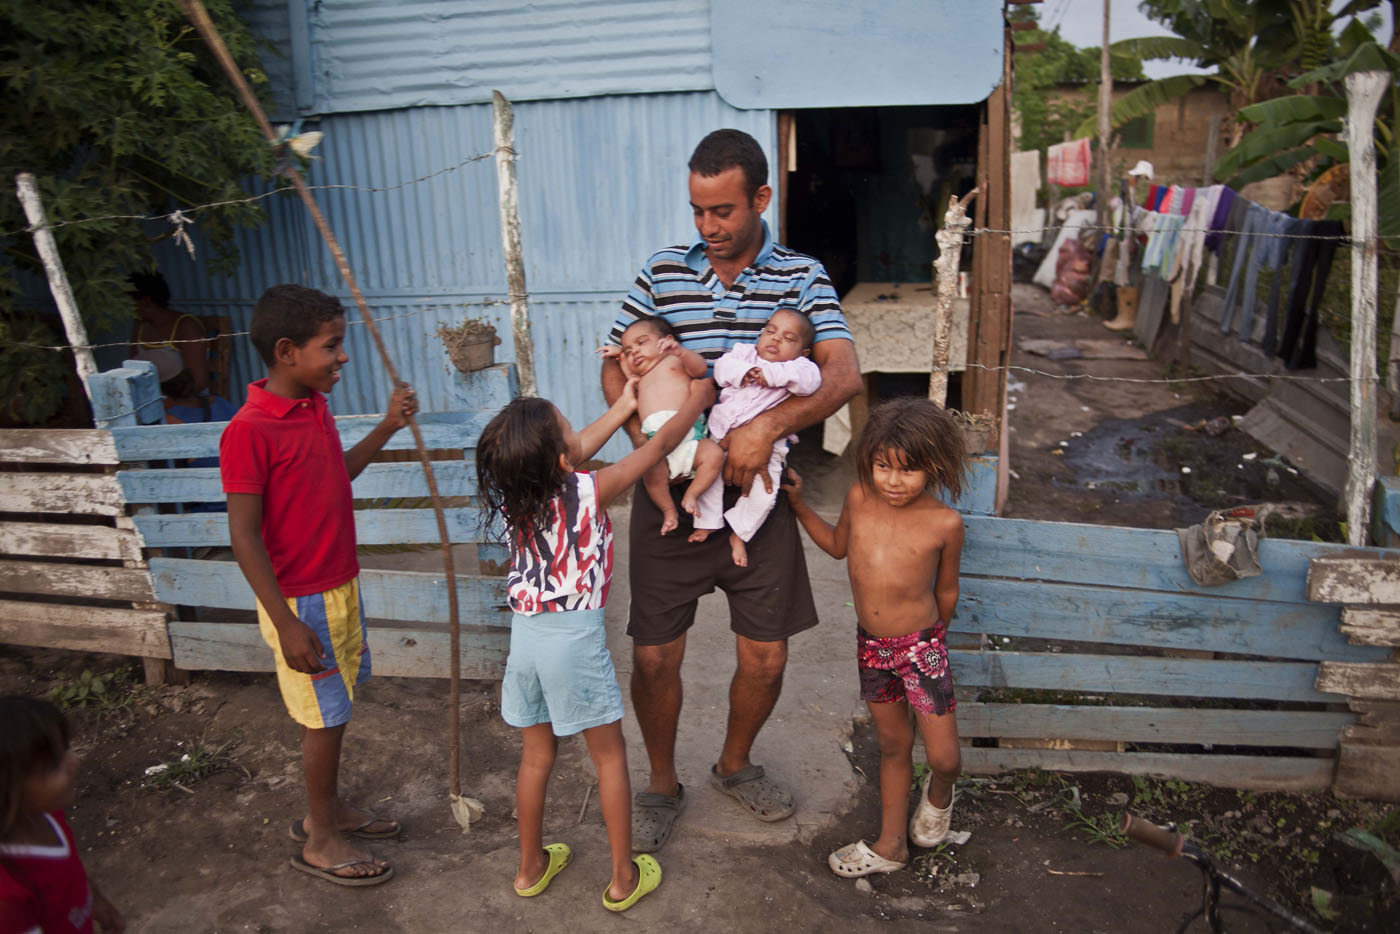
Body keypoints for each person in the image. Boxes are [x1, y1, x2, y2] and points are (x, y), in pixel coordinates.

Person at [601, 128, 861, 852]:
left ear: (761, 199)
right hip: (672, 499)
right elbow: (616, 364)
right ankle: (660, 783)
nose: (709, 228)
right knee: (654, 656)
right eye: (698, 212)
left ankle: (735, 764)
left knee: (767, 656)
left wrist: (760, 430)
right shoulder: (659, 273)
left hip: (760, 499)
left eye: (724, 212)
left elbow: (841, 375)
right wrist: (653, 452)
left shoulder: (801, 277)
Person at [476, 375, 713, 910]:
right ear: (562, 459)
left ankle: (530, 867)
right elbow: (657, 447)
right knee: (608, 757)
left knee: (536, 756)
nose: (576, 436)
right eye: (567, 429)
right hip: (573, 643)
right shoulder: (589, 489)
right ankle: (623, 878)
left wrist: (626, 403)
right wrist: (695, 401)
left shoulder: (518, 493)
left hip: (526, 640)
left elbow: (575, 448)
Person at [219, 284, 417, 887]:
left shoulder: (312, 408)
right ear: (286, 351)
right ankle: (322, 840)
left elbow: (338, 474)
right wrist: (285, 621)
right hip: (302, 601)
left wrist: (387, 426)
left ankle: (323, 813)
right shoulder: (249, 431)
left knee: (336, 710)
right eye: (331, 346)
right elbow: (244, 536)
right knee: (323, 719)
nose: (342, 357)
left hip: (337, 589)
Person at [783, 398, 967, 878]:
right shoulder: (859, 498)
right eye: (883, 466)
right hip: (872, 647)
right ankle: (891, 847)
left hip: (923, 649)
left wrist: (932, 644)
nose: (892, 480)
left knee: (945, 757)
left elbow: (947, 590)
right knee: (892, 744)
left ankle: (941, 792)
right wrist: (800, 506)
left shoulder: (944, 523)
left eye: (908, 470)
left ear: (934, 467)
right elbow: (839, 547)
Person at [683, 308, 821, 567]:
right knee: (707, 476)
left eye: (788, 338)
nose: (776, 339)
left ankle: (739, 532)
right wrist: (745, 372)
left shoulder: (800, 367)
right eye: (770, 331)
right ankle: (708, 522)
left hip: (768, 448)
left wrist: (772, 375)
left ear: (803, 352)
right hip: (720, 432)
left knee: (765, 495)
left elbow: (810, 382)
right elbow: (722, 369)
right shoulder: (744, 354)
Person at [0, 696, 125, 932]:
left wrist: (97, 900)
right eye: (56, 764)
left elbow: (71, 871)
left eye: (66, 749)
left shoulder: (48, 816)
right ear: (9, 791)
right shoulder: (9, 896)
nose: (75, 761)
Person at [599, 317, 722, 537]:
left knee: (713, 454)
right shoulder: (640, 375)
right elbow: (627, 371)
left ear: (666, 341)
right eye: (629, 350)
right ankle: (669, 510)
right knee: (650, 472)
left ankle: (693, 494)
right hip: (657, 443)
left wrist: (680, 352)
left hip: (691, 437)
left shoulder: (675, 361)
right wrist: (618, 355)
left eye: (641, 342)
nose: (634, 352)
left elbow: (700, 368)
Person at [128, 272, 210, 396]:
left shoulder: (185, 326)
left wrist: (166, 402)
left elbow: (199, 382)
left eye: (129, 303)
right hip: (153, 402)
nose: (126, 308)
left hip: (185, 402)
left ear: (146, 301)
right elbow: (132, 371)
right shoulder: (140, 326)